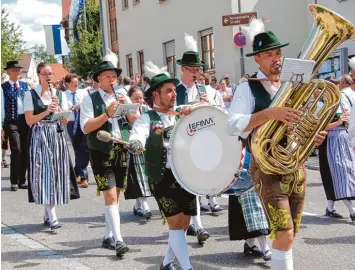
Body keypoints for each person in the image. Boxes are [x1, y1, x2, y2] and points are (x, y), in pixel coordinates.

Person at [227, 21, 326, 270]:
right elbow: (233, 125)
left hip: (295, 167)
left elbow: (299, 123)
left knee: (290, 234)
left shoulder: (292, 86)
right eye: (269, 55)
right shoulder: (247, 87)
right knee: (284, 233)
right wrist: (270, 113)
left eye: (278, 53)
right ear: (257, 59)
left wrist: (311, 136)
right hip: (266, 169)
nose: (276, 59)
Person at [128, 64, 196, 270]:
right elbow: (138, 133)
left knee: (184, 223)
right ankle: (187, 268)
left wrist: (192, 112)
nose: (174, 94)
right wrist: (137, 142)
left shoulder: (180, 113)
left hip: (186, 175)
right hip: (162, 176)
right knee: (174, 222)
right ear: (156, 95)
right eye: (169, 90)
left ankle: (167, 263)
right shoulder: (147, 118)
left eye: (174, 90)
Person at [80, 60, 138, 256]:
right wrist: (107, 113)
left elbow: (135, 122)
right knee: (110, 196)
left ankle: (107, 235)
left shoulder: (122, 95)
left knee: (116, 195)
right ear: (99, 79)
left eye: (114, 76)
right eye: (108, 76)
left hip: (121, 149)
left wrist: (127, 109)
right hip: (100, 151)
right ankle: (119, 240)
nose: (112, 80)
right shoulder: (90, 99)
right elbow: (86, 127)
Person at [24, 62, 80, 231]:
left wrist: (61, 112)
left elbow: (64, 121)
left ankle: (48, 213)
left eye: (50, 74)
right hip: (40, 135)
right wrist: (46, 111)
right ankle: (53, 217)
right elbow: (29, 120)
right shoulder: (30, 94)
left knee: (56, 175)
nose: (48, 76)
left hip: (56, 135)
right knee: (43, 174)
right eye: (44, 74)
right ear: (39, 75)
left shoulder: (59, 94)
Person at [175, 33, 210, 245]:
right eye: (193, 70)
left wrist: (207, 101)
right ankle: (192, 224)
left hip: (201, 139)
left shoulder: (204, 89)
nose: (197, 73)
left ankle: (197, 224)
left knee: (196, 184)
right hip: (181, 141)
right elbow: (170, 111)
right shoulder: (174, 90)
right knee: (186, 186)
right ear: (183, 70)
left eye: (198, 69)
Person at [318, 76, 355, 222]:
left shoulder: (341, 101)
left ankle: (330, 207)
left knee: (345, 172)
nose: (335, 89)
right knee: (339, 173)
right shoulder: (321, 104)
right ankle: (352, 211)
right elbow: (319, 127)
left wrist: (347, 121)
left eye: (336, 86)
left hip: (343, 138)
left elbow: (349, 120)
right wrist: (339, 121)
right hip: (329, 140)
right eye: (332, 87)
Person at [229, 147, 271, 261]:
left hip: (259, 157)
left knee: (256, 207)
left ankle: (250, 244)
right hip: (242, 160)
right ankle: (264, 247)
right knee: (252, 206)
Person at [1, 61, 31, 191]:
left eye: (19, 69)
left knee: (25, 149)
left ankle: (22, 180)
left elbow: (30, 104)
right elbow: (1, 107)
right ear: (8, 72)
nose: (18, 71)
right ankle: (14, 180)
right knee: (16, 149)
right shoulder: (3, 87)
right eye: (14, 69)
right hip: (11, 121)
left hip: (24, 120)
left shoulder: (25, 86)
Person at [124, 86, 152, 219]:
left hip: (147, 148)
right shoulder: (126, 111)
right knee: (140, 178)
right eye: (136, 98)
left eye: (141, 98)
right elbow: (133, 121)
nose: (139, 100)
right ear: (130, 99)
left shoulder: (147, 110)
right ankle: (145, 206)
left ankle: (137, 206)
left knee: (145, 178)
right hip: (134, 149)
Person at [64, 73, 90, 188]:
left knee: (84, 148)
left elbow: (86, 104)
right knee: (76, 148)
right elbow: (63, 109)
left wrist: (77, 106)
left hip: (83, 122)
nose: (76, 84)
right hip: (71, 123)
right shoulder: (63, 95)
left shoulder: (83, 92)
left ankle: (84, 177)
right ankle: (77, 172)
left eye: (77, 82)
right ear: (67, 83)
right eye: (73, 82)